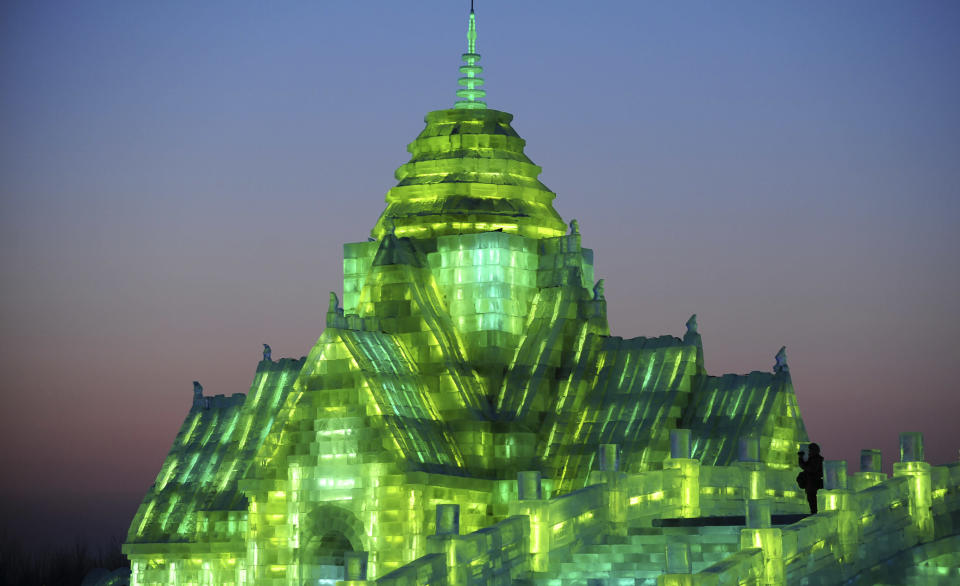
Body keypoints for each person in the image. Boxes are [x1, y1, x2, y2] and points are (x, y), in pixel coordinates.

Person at [798, 443, 824, 514]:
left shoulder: (816, 459)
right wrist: (801, 458)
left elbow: (810, 469)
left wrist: (801, 459)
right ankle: (814, 513)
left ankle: (814, 514)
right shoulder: (813, 459)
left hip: (814, 485)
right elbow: (805, 466)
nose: (809, 452)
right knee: (811, 501)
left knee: (813, 502)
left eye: (810, 450)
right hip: (811, 485)